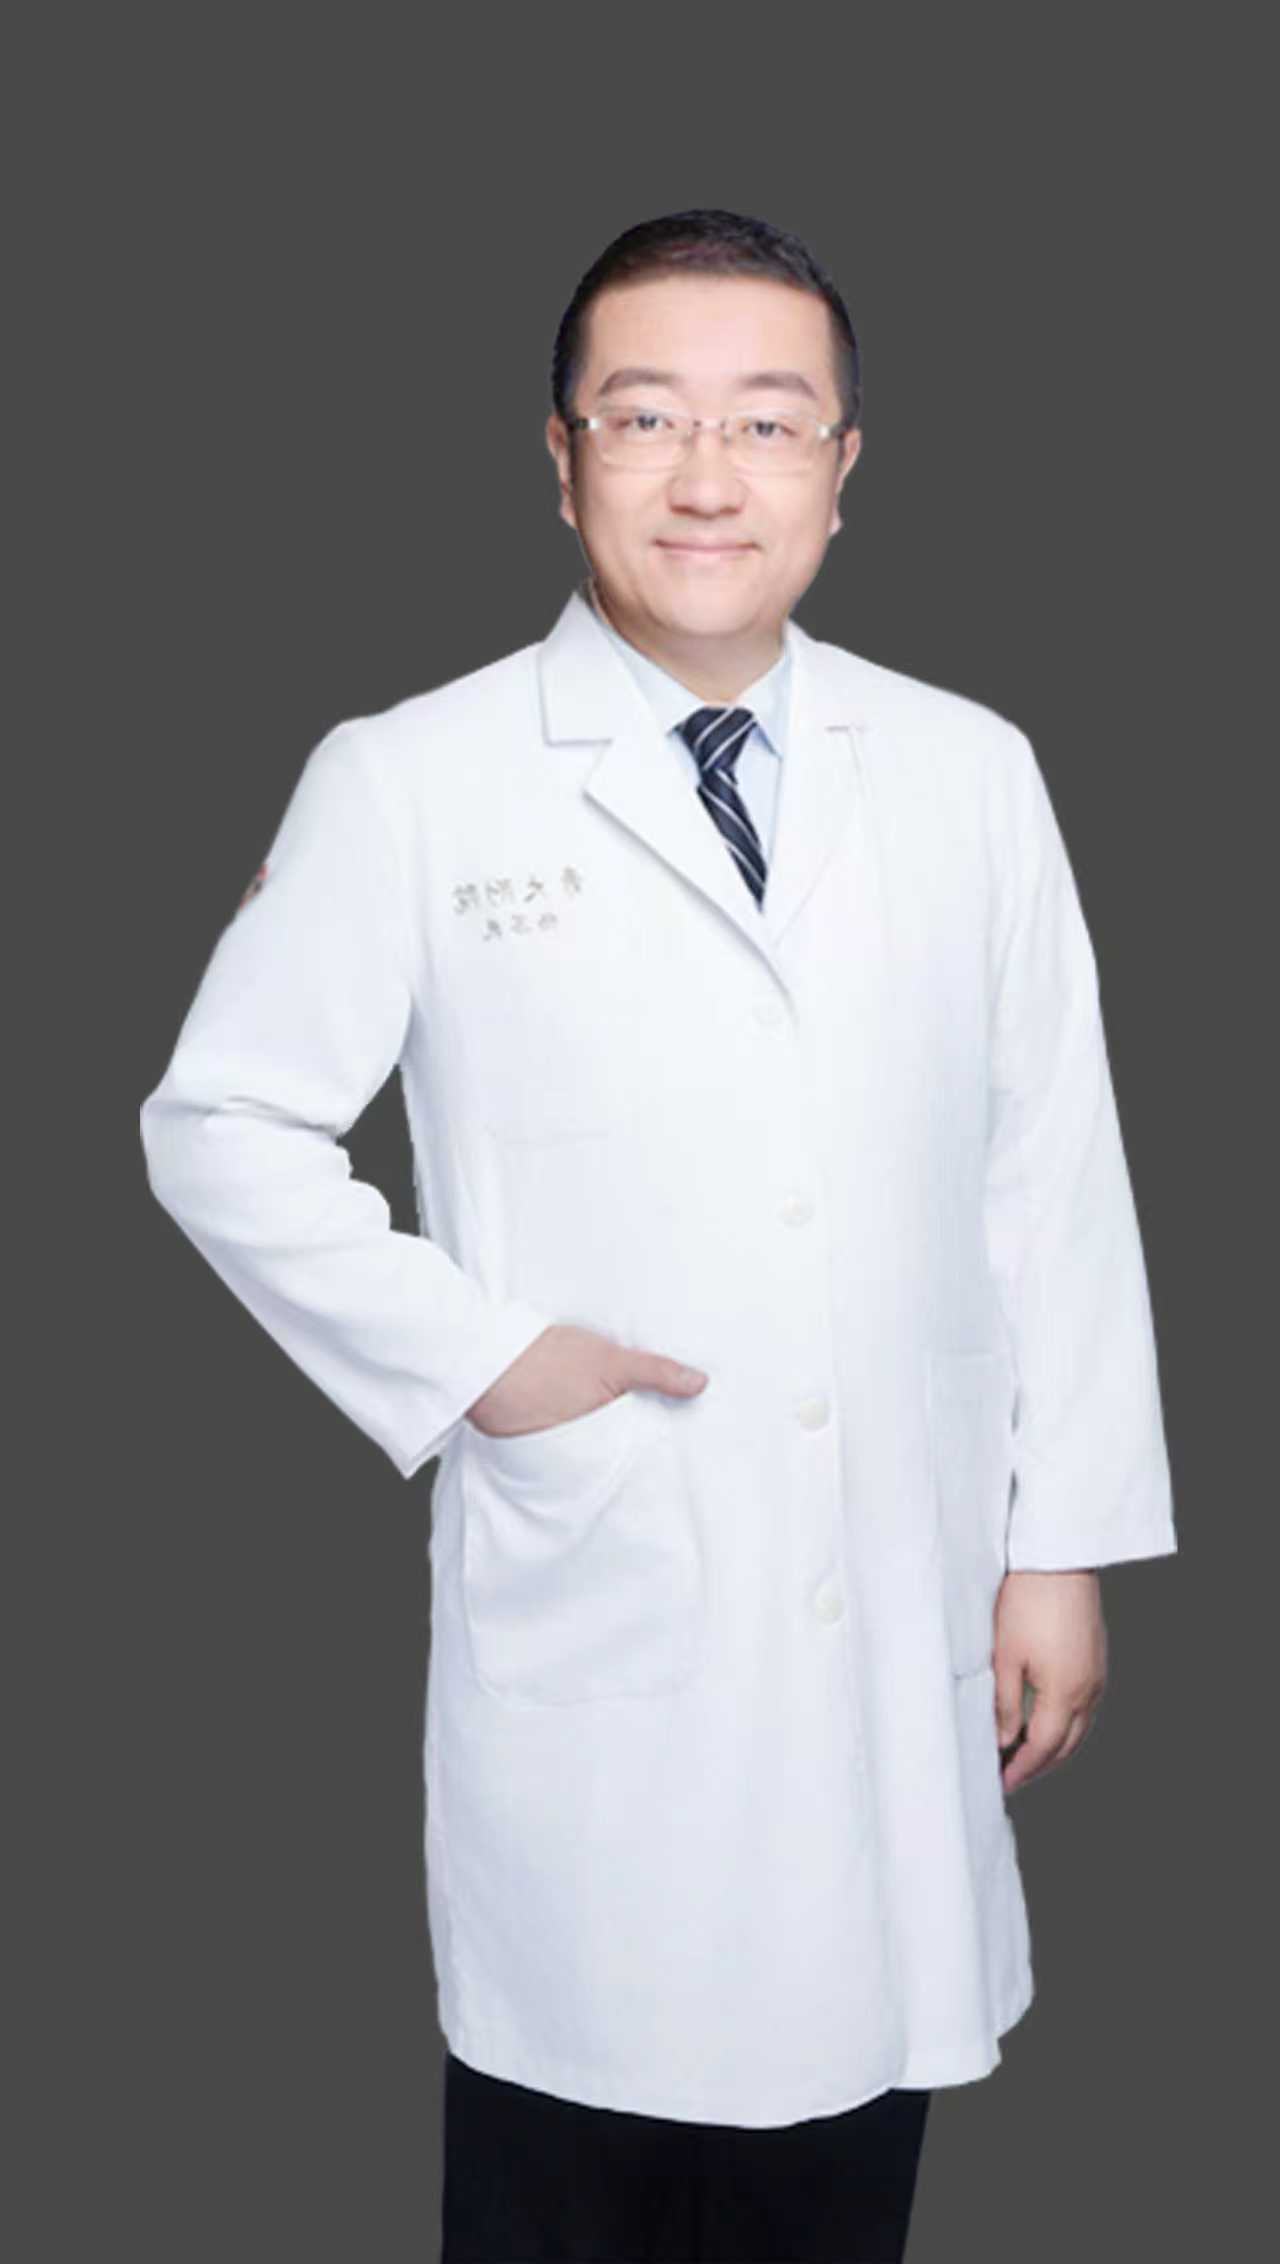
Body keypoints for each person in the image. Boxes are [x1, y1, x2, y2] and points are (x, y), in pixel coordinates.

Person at [139, 208, 1177, 2262]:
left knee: (844, 2144)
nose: (709, 474)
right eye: (647, 417)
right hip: (611, 1588)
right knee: (570, 2144)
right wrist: (480, 1361)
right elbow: (220, 1120)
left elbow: (1052, 1168)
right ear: (563, 459)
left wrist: (1059, 1541)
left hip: (898, 1586)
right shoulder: (414, 778)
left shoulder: (967, 771)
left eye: (767, 422)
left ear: (841, 470)